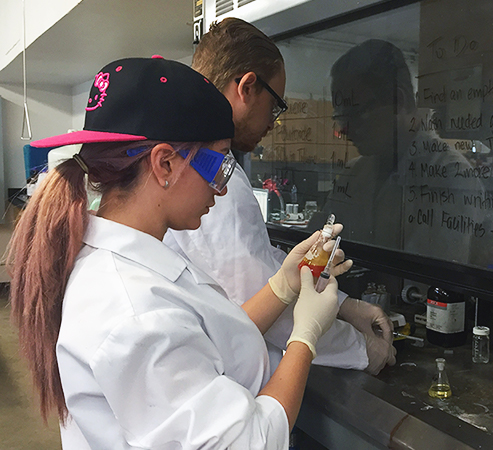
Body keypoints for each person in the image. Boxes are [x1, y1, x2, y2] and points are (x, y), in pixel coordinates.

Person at [8, 56, 352, 449]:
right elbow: (250, 441)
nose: (220, 189)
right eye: (217, 163)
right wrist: (305, 337)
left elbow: (204, 339)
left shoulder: (130, 254)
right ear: (165, 163)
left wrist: (282, 287)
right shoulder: (133, 312)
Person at [163, 18, 396, 376]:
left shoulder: (197, 162)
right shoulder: (210, 177)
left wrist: (347, 306)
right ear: (247, 87)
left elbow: (257, 259)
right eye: (274, 106)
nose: (274, 122)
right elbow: (263, 303)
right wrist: (364, 350)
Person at [314, 39, 485, 263]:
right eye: (341, 117)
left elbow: (431, 280)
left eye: (355, 113)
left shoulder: (451, 175)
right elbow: (318, 244)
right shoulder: (354, 172)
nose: (344, 129)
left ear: (399, 100)